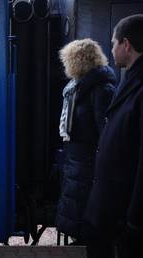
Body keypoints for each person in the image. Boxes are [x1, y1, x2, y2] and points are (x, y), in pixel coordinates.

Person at [83, 14, 143, 258]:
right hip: (112, 207)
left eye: (113, 43)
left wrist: (135, 221)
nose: (112, 50)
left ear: (126, 44)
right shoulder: (129, 79)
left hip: (124, 213)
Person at [55, 38, 116, 245]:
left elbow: (105, 133)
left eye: (68, 60)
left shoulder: (100, 90)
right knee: (77, 206)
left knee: (84, 207)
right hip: (77, 159)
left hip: (88, 162)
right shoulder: (78, 88)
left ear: (78, 60)